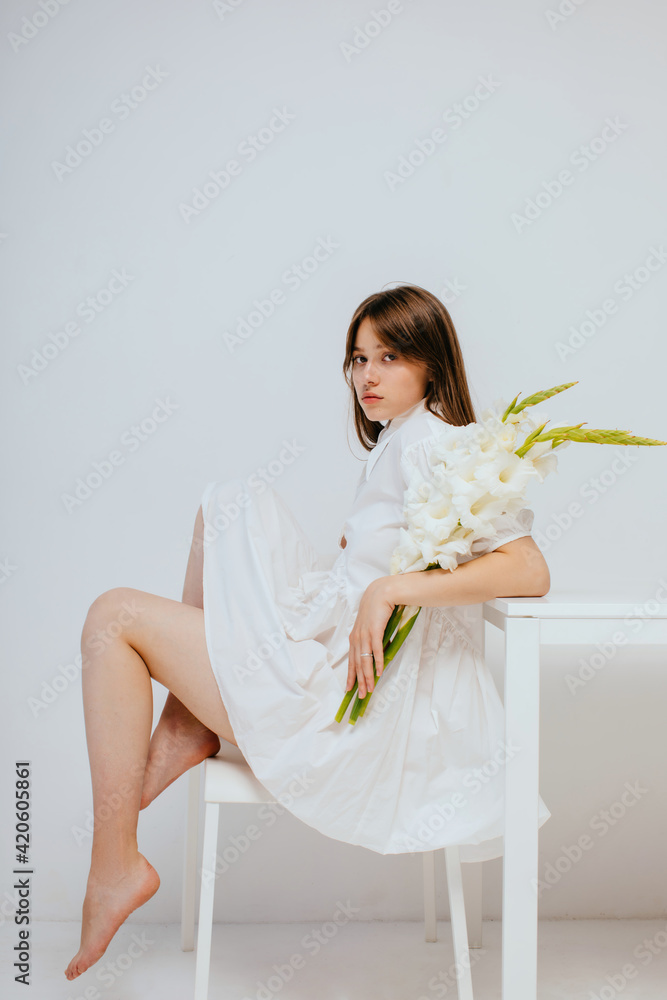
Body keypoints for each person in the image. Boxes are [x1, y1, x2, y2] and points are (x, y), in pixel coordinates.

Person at [65, 283, 551, 981]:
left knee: (113, 616)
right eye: (358, 358)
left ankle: (116, 862)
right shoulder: (399, 442)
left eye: (389, 356)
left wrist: (391, 588)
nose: (368, 376)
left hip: (358, 709)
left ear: (432, 364)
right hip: (333, 656)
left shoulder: (438, 445)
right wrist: (369, 574)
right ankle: (184, 723)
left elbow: (528, 568)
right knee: (226, 504)